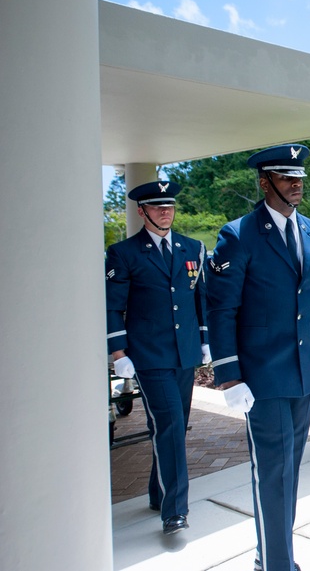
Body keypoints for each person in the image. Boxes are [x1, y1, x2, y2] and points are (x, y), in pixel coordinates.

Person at [208, 144, 310, 571]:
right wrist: (228, 375)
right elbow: (221, 308)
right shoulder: (239, 234)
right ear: (265, 183)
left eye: (299, 177)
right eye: (286, 178)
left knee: (288, 470)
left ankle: (270, 554)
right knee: (274, 472)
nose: (296, 184)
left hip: (302, 375)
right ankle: (277, 563)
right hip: (260, 377)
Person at [105, 180, 211, 536]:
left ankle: (157, 492)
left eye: (169, 206)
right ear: (141, 211)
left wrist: (205, 341)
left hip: (184, 354)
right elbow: (112, 306)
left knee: (173, 427)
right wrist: (118, 354)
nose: (165, 211)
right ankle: (174, 510)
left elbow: (200, 300)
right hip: (149, 356)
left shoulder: (192, 247)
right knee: (168, 426)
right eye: (157, 206)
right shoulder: (123, 253)